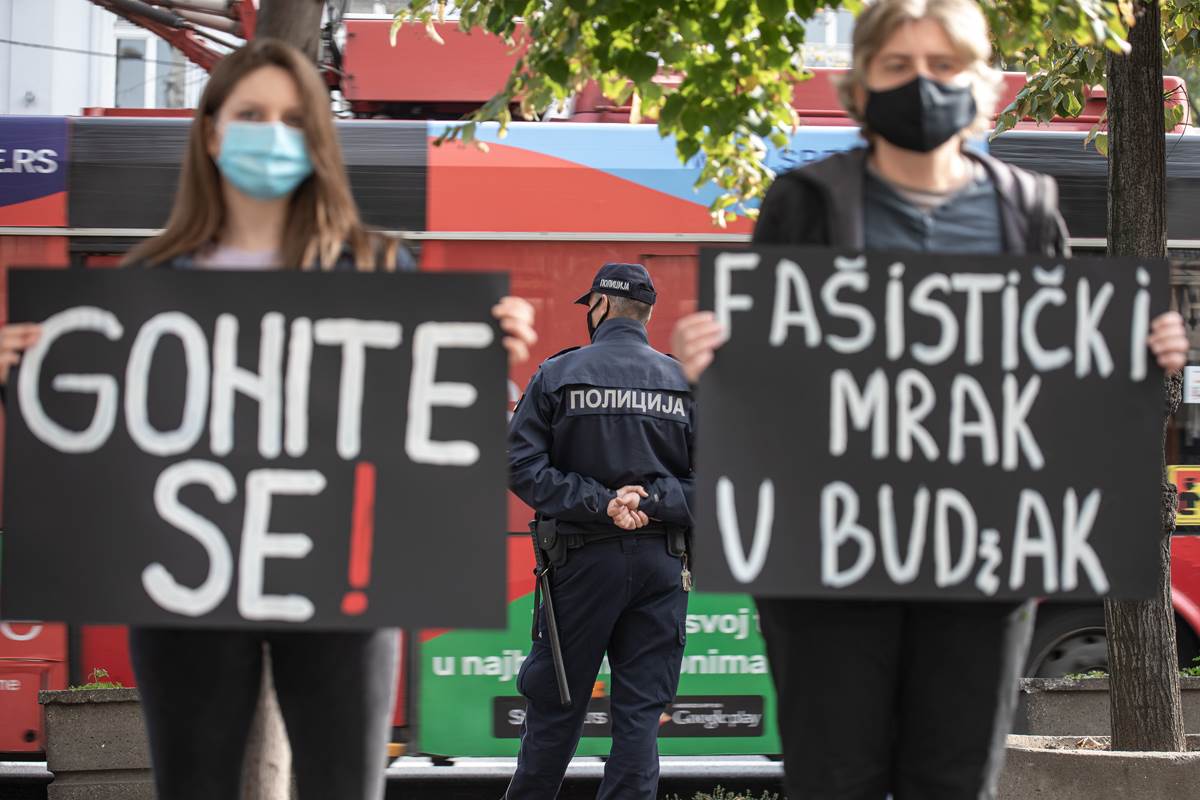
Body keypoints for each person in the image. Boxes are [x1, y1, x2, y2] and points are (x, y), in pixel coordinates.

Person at [670, 1, 1191, 798]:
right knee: (834, 775)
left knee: (954, 779)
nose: (923, 84)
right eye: (898, 66)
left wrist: (1136, 356)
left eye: (945, 66)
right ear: (858, 86)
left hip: (979, 554)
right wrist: (715, 362)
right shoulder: (805, 203)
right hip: (829, 555)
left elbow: (1053, 369)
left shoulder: (1027, 208)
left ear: (983, 86)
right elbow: (768, 364)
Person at [0, 38, 537, 800]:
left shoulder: (382, 271)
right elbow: (101, 457)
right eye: (252, 113)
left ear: (316, 140)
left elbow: (437, 439)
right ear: (212, 130)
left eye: (293, 118)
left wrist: (486, 369)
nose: (272, 133)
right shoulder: (145, 280)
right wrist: (22, 383)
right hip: (187, 583)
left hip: (344, 582)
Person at [505, 263, 694, 800]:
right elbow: (718, 483)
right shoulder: (684, 382)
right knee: (638, 717)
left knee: (557, 707)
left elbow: (521, 467)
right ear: (648, 313)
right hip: (661, 564)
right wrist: (651, 501)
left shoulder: (558, 374)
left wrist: (602, 503)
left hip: (580, 565)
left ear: (602, 307)